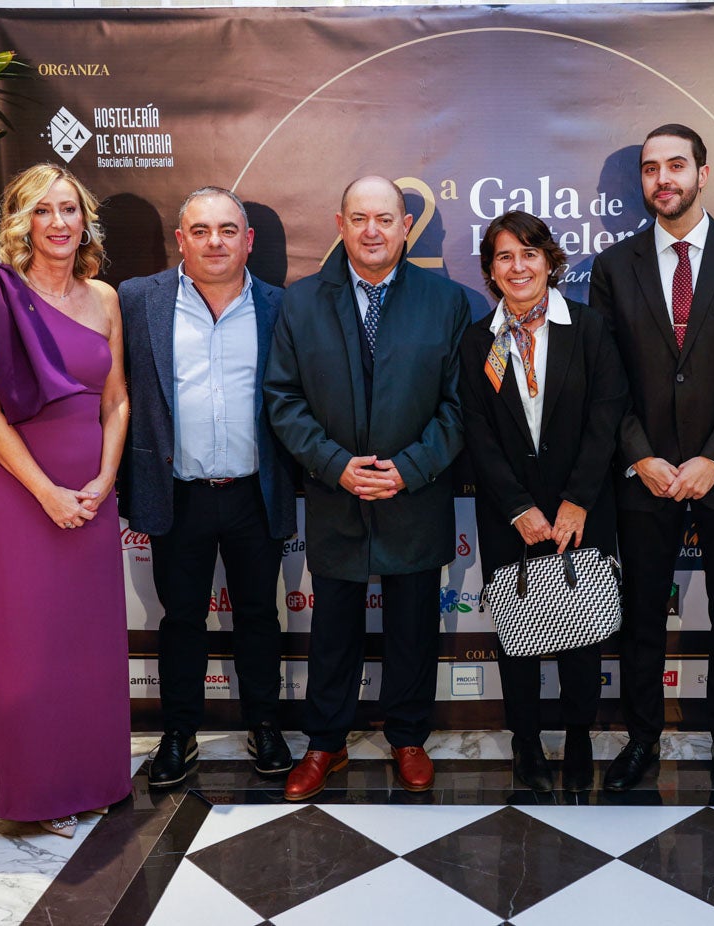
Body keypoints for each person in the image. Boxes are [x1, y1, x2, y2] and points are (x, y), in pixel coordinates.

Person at [0, 163, 131, 837]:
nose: (59, 223)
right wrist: (46, 492)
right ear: (21, 222)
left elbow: (118, 399)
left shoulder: (105, 297)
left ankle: (97, 777)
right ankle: (37, 793)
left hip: (91, 492)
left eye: (69, 210)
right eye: (43, 211)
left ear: (85, 220)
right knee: (32, 642)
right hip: (23, 492)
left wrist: (104, 480)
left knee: (90, 641)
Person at [589, 124, 714, 800]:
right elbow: (604, 376)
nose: (661, 178)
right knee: (641, 615)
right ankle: (641, 739)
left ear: (704, 173)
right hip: (643, 478)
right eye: (649, 168)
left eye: (675, 165)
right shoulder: (614, 267)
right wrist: (639, 455)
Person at [266, 176, 470, 801]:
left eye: (385, 219)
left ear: (406, 226)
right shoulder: (300, 304)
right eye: (360, 219)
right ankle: (325, 743)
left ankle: (408, 736)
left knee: (413, 625)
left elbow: (459, 407)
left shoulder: (447, 302)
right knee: (334, 630)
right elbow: (283, 398)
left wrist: (410, 467)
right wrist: (335, 465)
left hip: (416, 495)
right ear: (340, 223)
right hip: (337, 497)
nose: (373, 231)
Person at [119, 187, 297, 789]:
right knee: (181, 618)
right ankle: (179, 732)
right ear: (181, 240)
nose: (215, 242)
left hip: (256, 491)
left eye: (228, 230)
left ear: (248, 241)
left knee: (258, 616)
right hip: (177, 492)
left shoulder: (280, 307)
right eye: (201, 230)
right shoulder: (138, 300)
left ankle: (264, 724)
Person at [459, 211, 628, 793]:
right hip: (511, 515)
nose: (518, 266)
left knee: (583, 632)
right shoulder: (479, 342)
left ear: (549, 260)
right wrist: (516, 506)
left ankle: (579, 737)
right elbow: (477, 433)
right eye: (504, 257)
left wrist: (577, 499)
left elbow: (606, 417)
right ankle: (526, 744)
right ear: (490, 270)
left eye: (529, 254)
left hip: (581, 509)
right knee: (519, 632)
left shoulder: (589, 328)